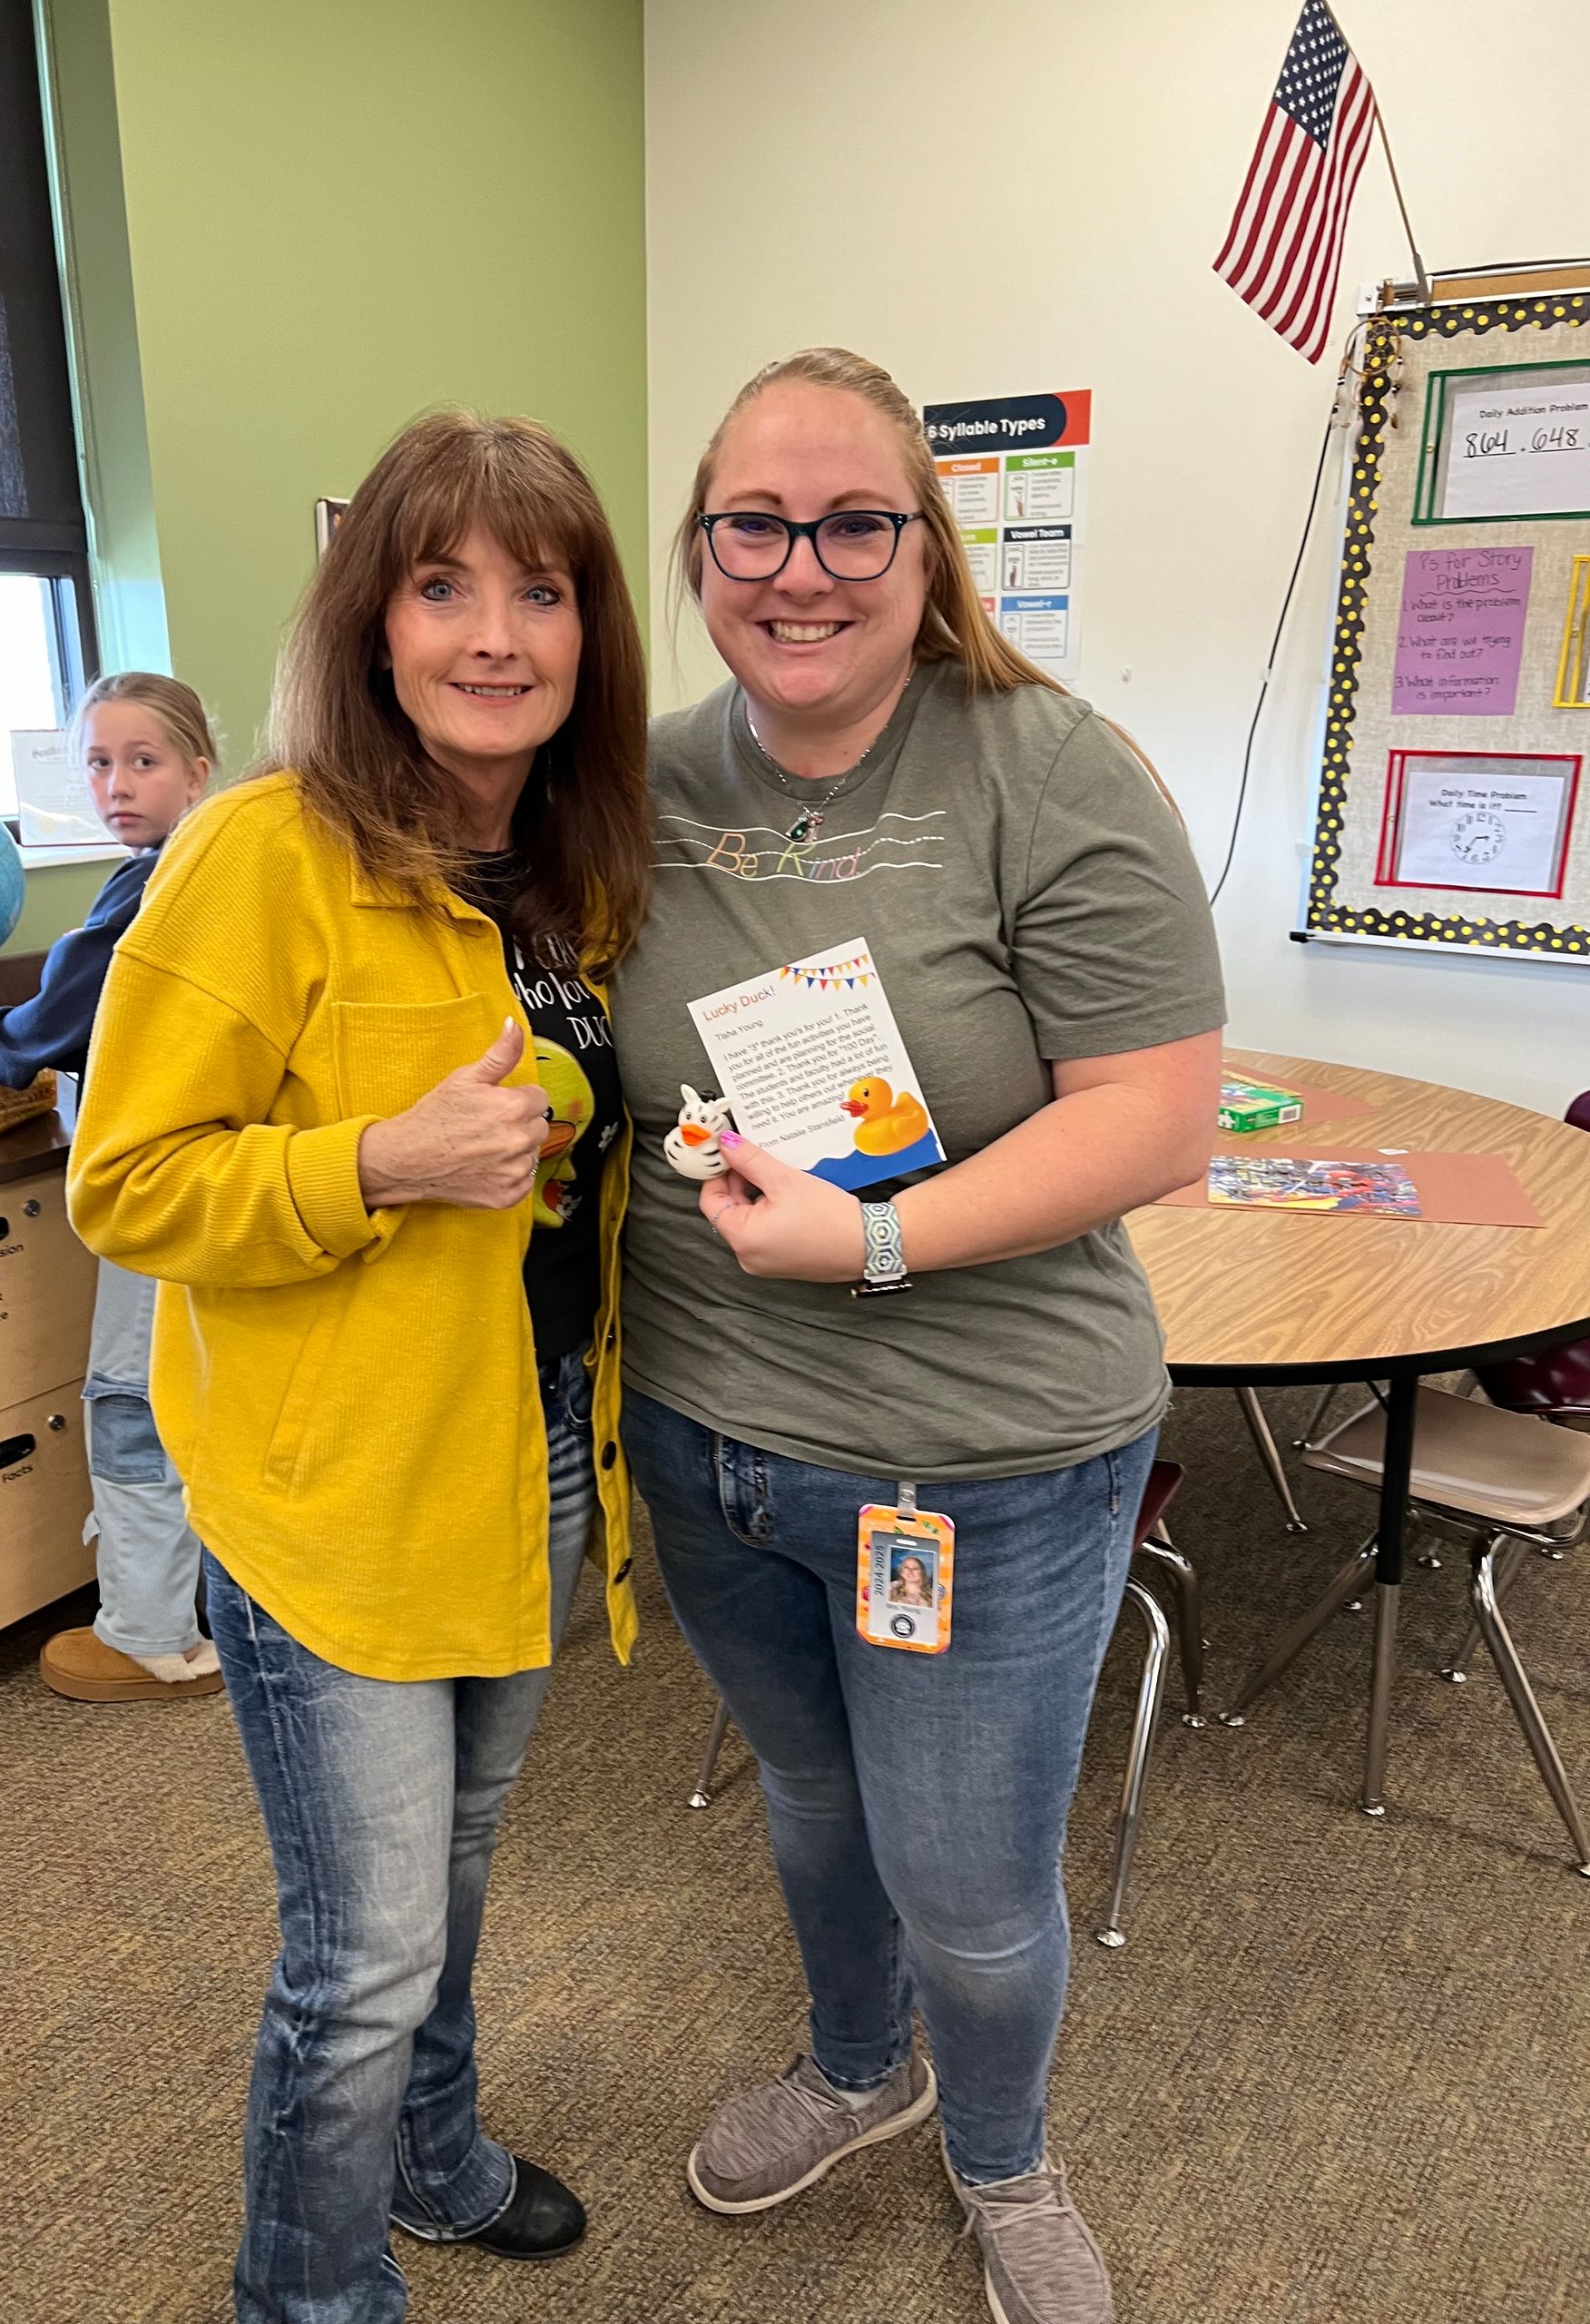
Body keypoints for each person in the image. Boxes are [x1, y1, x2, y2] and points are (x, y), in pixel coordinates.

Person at [609, 348, 1225, 2324]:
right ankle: (859, 2069)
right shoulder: (644, 783)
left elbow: (1154, 1110)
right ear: (699, 546)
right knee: (811, 1803)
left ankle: (1002, 2147)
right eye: (754, 525)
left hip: (981, 1450)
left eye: (853, 521)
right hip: (711, 1432)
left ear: (921, 542)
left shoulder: (1046, 766)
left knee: (967, 1876)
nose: (804, 568)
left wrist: (873, 1240)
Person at [67, 409, 651, 2323]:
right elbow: (129, 1181)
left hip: (531, 1442)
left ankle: (433, 2152)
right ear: (370, 621)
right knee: (363, 1948)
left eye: (541, 590)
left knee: (455, 1875)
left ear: (590, 632)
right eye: (442, 585)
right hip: (333, 1490)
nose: (497, 634)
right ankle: (305, 2297)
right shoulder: (260, 851)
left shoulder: (566, 864)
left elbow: (553, 1138)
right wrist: (379, 1162)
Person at [0, 671, 218, 1701]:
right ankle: (208, 1611)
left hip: (158, 1179)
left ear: (196, 770)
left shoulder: (155, 879)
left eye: (142, 762)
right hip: (218, 1173)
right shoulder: (219, 860)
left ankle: (153, 1633)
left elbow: (63, 1008)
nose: (117, 785)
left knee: (130, 1400)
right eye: (98, 763)